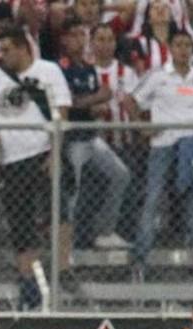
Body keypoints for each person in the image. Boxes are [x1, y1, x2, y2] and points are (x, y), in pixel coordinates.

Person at [0, 26, 70, 309]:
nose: (3, 55)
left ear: (24, 48)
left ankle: (61, 269)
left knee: (57, 211)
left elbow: (62, 112)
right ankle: (29, 282)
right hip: (11, 159)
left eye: (8, 49)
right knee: (19, 221)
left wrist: (55, 152)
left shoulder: (48, 71)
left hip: (42, 151)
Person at [126, 30, 193, 276]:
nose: (183, 50)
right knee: (153, 201)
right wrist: (142, 128)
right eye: (178, 44)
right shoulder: (157, 76)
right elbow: (131, 100)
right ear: (170, 47)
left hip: (192, 145)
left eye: (188, 45)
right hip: (163, 145)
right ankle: (139, 259)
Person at [59, 17, 131, 250]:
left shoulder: (88, 68)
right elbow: (67, 103)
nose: (81, 40)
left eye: (83, 35)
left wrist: (94, 106)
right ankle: (64, 246)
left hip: (92, 136)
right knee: (72, 192)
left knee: (121, 174)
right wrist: (97, 98)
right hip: (71, 141)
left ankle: (105, 231)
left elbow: (85, 103)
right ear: (65, 40)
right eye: (75, 35)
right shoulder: (61, 68)